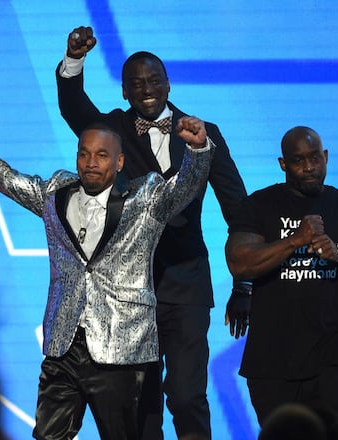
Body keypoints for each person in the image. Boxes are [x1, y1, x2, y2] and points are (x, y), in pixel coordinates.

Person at [0, 105, 214, 439]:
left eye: (101, 155)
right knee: (48, 436)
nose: (91, 162)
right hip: (63, 347)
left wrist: (197, 150)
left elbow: (184, 188)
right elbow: (5, 177)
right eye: (84, 154)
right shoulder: (55, 194)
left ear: (119, 162)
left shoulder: (144, 198)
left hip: (121, 350)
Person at [56, 26, 250, 439]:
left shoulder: (204, 133)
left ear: (168, 83)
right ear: (124, 91)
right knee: (139, 405)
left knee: (186, 396)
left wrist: (244, 284)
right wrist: (74, 59)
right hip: (126, 291)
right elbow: (73, 109)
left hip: (185, 283)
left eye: (154, 80)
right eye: (136, 83)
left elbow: (239, 210)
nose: (147, 89)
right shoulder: (112, 129)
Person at [224, 126, 338, 432]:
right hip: (272, 360)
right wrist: (294, 240)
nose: (309, 167)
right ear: (283, 164)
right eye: (298, 160)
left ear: (325, 156)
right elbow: (239, 262)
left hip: (333, 358)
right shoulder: (259, 205)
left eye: (315, 158)